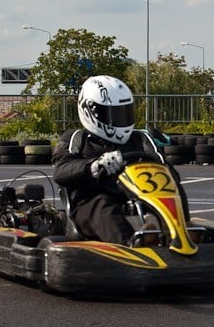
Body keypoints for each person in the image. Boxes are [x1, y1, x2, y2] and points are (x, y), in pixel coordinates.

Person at [52, 75, 189, 245]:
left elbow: (169, 173)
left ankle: (181, 237)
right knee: (103, 205)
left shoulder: (141, 138)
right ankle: (131, 245)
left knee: (174, 191)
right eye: (113, 115)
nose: (119, 120)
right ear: (89, 110)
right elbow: (61, 171)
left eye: (123, 113)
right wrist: (94, 166)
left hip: (134, 197)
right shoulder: (76, 139)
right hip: (90, 202)